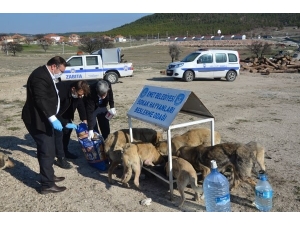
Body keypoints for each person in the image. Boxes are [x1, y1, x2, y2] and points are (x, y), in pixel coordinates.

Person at [21, 56, 75, 194]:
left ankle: (48, 176)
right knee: (47, 151)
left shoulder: (46, 74)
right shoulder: (39, 76)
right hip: (37, 120)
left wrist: (62, 121)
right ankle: (47, 185)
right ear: (53, 66)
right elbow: (40, 99)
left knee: (46, 149)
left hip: (45, 118)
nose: (61, 74)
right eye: (61, 71)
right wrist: (52, 118)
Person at [54, 80, 90, 169]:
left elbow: (80, 105)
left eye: (82, 95)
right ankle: (60, 157)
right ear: (73, 89)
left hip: (66, 113)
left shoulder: (78, 94)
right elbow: (54, 111)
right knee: (58, 134)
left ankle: (65, 150)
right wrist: (64, 123)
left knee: (67, 131)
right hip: (55, 114)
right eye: (79, 94)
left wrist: (84, 119)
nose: (80, 96)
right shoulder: (60, 91)